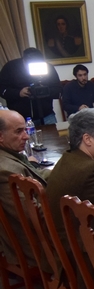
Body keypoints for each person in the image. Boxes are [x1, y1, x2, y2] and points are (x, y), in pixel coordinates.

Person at [46, 108, 94, 245]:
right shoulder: (92, 171)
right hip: (84, 259)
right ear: (87, 139)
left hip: (63, 248)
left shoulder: (68, 159)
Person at [0, 109, 51, 270]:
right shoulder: (6, 170)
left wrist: (69, 171)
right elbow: (33, 215)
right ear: (0, 136)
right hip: (36, 246)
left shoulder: (9, 156)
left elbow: (36, 175)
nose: (27, 136)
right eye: (18, 131)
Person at [0, 47, 61, 125]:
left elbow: (58, 90)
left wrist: (45, 91)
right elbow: (2, 89)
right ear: (24, 60)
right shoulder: (11, 67)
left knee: (53, 137)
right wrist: (19, 93)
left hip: (47, 115)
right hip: (20, 117)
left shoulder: (48, 68)